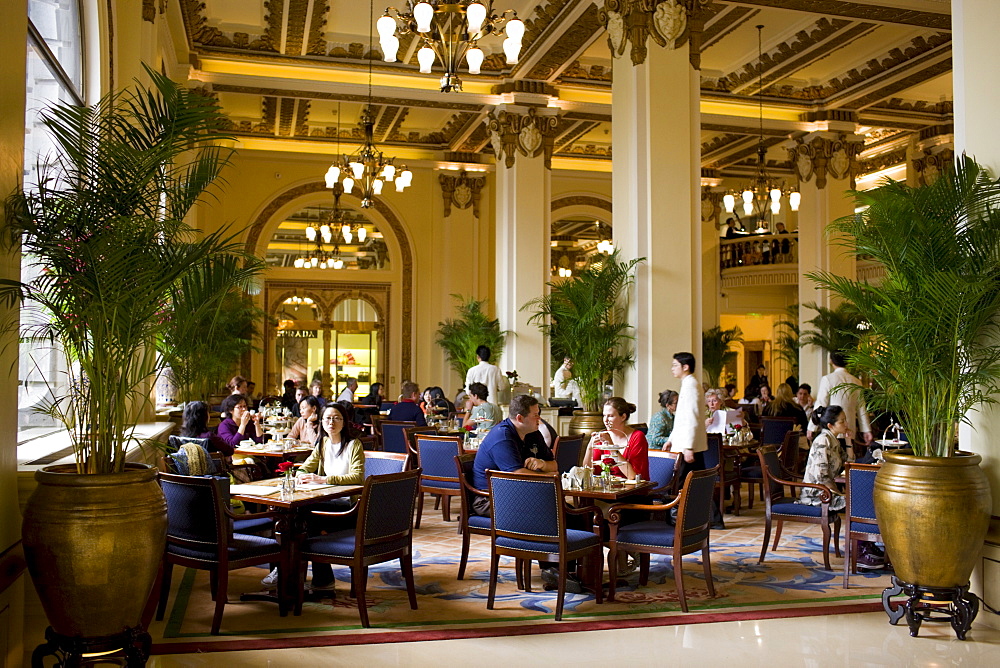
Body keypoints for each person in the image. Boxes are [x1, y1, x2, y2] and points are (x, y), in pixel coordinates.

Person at [471, 395, 573, 592]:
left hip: (520, 494)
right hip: (489, 500)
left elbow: (555, 465)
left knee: (570, 512)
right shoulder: (502, 436)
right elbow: (516, 476)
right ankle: (553, 569)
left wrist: (543, 465)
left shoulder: (533, 433)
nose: (539, 420)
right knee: (551, 514)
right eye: (535, 415)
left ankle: (571, 571)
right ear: (520, 418)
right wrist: (549, 476)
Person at [295, 403, 365, 590]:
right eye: (327, 418)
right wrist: (301, 475)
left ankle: (315, 578)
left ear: (344, 422)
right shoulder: (323, 444)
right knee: (296, 517)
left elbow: (357, 477)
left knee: (304, 518)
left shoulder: (353, 445)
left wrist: (323, 479)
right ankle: (301, 576)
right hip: (327, 503)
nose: (331, 422)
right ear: (321, 422)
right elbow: (305, 467)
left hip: (348, 508)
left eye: (336, 418)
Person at [664, 352, 722, 529]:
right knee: (695, 483)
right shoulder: (688, 384)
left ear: (685, 367)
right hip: (686, 444)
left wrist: (688, 446)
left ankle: (682, 521)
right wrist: (671, 440)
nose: (672, 368)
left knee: (685, 484)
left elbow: (691, 417)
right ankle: (709, 519)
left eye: (675, 365)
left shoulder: (691, 386)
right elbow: (681, 419)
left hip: (689, 447)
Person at [809, 352, 873, 452]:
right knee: (847, 459)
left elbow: (821, 404)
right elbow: (861, 408)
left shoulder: (827, 379)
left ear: (831, 361)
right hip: (849, 430)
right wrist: (866, 430)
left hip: (831, 429)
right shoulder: (856, 381)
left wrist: (812, 427)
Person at [585, 397, 649, 480]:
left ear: (623, 417)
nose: (605, 420)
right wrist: (590, 447)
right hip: (607, 489)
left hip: (632, 490)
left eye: (610, 416)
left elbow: (633, 476)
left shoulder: (637, 437)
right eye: (604, 415)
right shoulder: (603, 436)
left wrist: (611, 447)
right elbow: (587, 472)